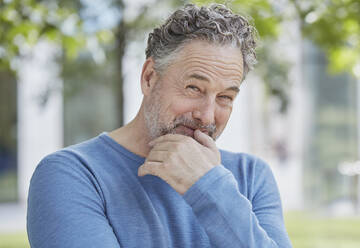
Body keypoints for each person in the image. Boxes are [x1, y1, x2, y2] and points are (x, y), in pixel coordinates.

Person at [27, 3, 292, 248]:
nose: (207, 116)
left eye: (225, 97)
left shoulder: (251, 176)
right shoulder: (71, 175)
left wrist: (208, 186)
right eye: (193, 88)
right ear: (150, 78)